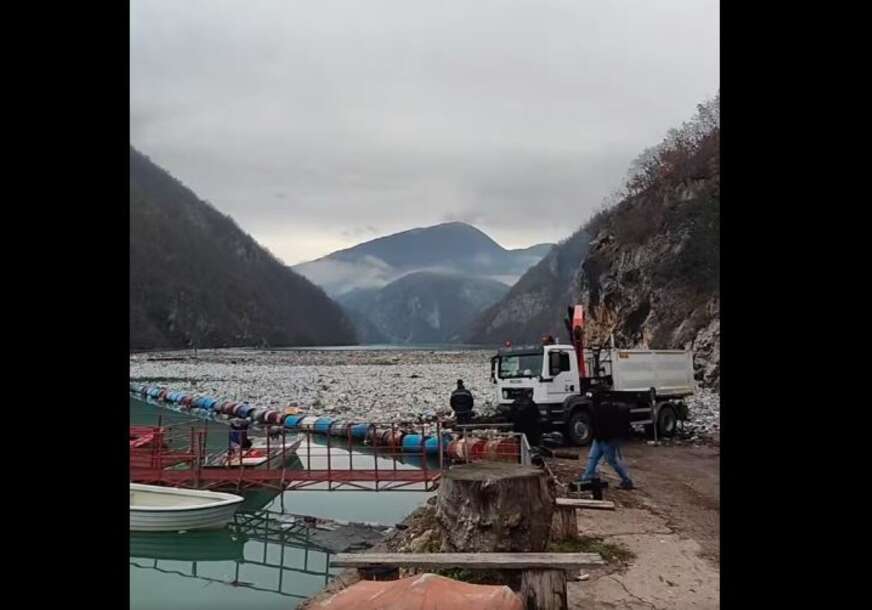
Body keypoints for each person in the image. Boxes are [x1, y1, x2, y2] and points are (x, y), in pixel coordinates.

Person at [578, 397, 634, 490]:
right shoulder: (605, 408)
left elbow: (600, 425)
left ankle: (627, 479)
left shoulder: (600, 410)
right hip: (604, 437)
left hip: (605, 438)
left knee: (604, 459)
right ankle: (587, 477)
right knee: (596, 458)